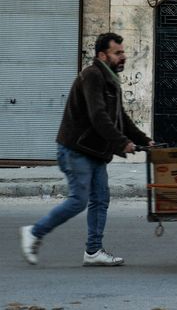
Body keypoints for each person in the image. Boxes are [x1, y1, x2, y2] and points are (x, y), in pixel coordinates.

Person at [20, 32, 153, 266]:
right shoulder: (92, 76)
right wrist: (122, 142)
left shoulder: (110, 78)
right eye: (118, 53)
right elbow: (98, 116)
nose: (123, 56)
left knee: (100, 199)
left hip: (94, 150)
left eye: (123, 52)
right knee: (78, 200)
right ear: (103, 55)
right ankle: (34, 232)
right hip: (76, 149)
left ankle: (93, 251)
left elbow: (119, 116)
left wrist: (144, 139)